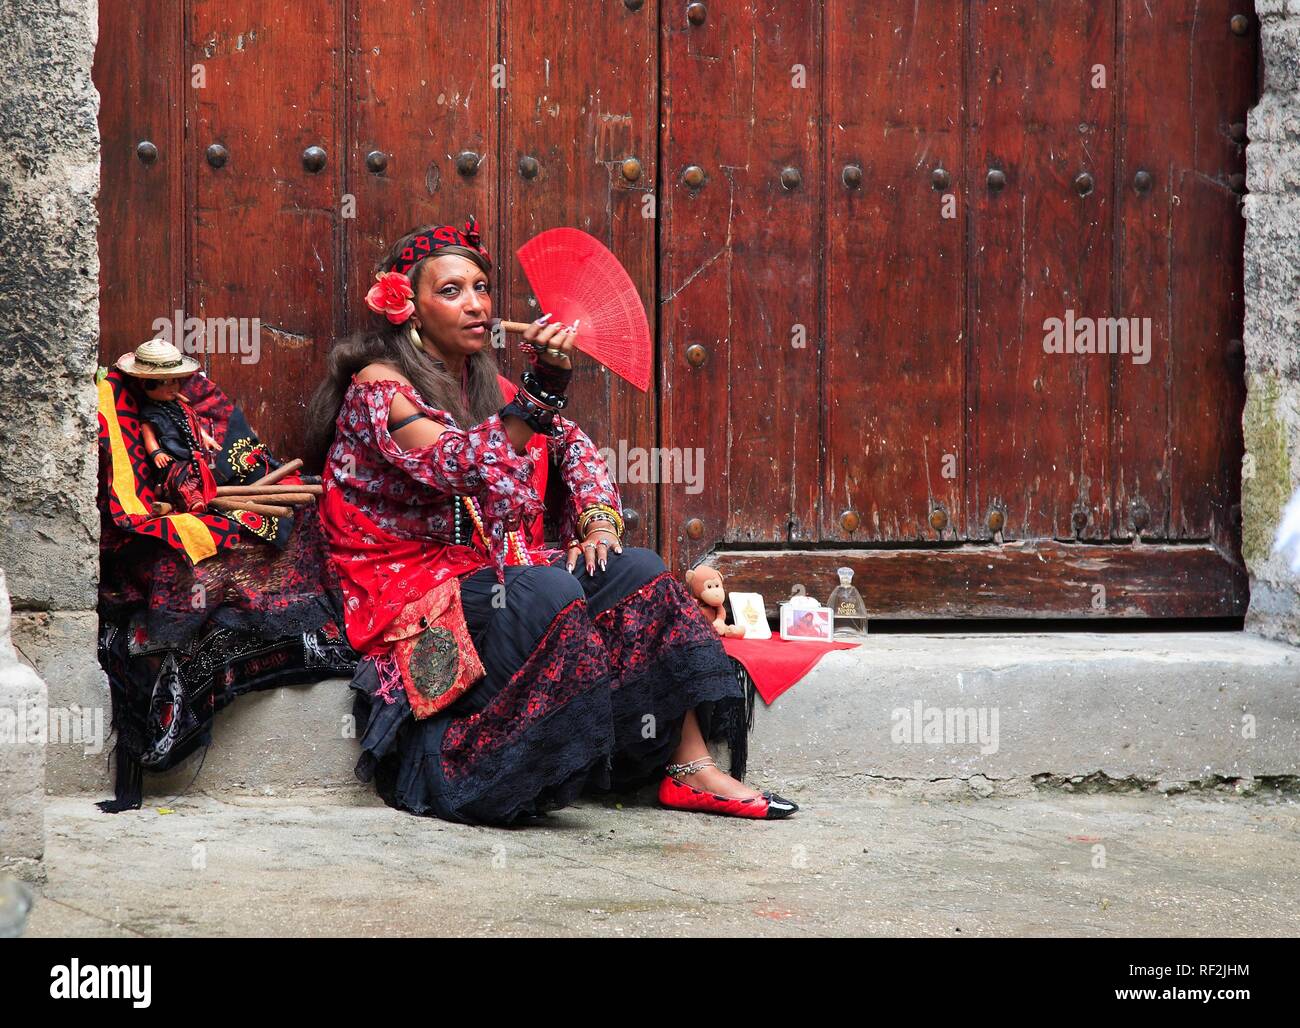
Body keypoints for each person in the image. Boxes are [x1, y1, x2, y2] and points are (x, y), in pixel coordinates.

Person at [306, 216, 798, 824]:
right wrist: (541, 391)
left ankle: (689, 770)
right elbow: (457, 462)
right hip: (405, 593)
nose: (476, 304)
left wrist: (597, 525)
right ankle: (505, 764)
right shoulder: (379, 388)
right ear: (408, 307)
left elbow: (574, 448)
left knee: (636, 570)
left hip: (487, 573)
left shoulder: (493, 384)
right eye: (452, 290)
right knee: (550, 587)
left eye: (482, 288)